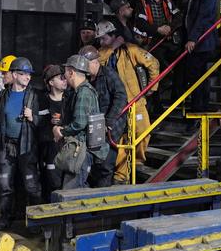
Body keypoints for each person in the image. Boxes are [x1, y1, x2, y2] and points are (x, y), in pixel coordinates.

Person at [97, 20, 160, 183]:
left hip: (135, 102)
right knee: (119, 142)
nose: (101, 42)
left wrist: (152, 88)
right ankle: (121, 175)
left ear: (113, 36)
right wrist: (112, 47)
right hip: (116, 107)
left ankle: (137, 162)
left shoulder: (130, 50)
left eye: (104, 39)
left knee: (143, 132)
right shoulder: (102, 53)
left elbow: (153, 63)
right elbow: (97, 65)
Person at [0, 57, 41, 231]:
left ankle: (35, 222)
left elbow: (46, 123)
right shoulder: (0, 97)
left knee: (31, 186)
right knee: (5, 185)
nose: (28, 77)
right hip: (5, 146)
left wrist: (33, 117)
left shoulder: (35, 97)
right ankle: (5, 218)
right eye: (24, 74)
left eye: (29, 75)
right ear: (15, 75)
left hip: (27, 147)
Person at [79, 46, 128, 187]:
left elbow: (121, 96)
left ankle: (103, 204)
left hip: (110, 127)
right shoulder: (87, 79)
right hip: (94, 127)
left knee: (105, 166)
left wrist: (110, 121)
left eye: (85, 63)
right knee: (93, 166)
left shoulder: (108, 74)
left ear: (95, 62)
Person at [52, 55, 99, 189]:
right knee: (79, 189)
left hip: (81, 149)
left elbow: (79, 123)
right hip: (81, 149)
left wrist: (60, 131)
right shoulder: (81, 91)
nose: (64, 76)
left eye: (65, 72)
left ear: (71, 72)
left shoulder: (83, 92)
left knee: (71, 191)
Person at [184, 0, 219, 131]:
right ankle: (197, 110)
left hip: (202, 43)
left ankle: (198, 112)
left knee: (198, 80)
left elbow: (203, 18)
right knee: (197, 78)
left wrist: (193, 38)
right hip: (198, 43)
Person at [38, 65, 67, 202]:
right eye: (61, 78)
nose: (64, 80)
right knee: (50, 184)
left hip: (68, 149)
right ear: (51, 82)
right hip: (49, 151)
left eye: (65, 77)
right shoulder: (42, 100)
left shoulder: (70, 98)